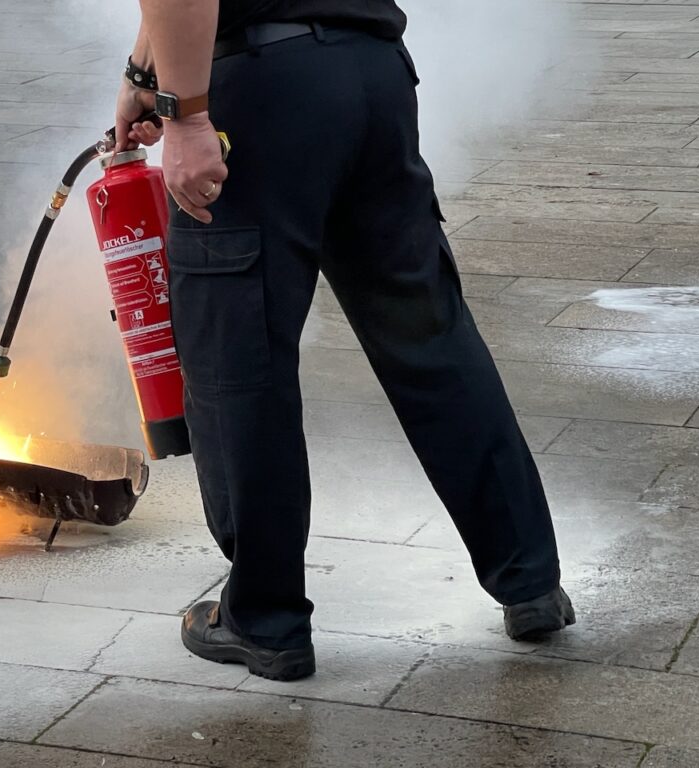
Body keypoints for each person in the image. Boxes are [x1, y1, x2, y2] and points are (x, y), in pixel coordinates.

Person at [115, 0, 575, 682]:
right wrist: (143, 70)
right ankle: (529, 578)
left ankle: (265, 618)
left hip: (263, 91)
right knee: (429, 337)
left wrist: (185, 114)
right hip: (372, 73)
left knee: (238, 358)